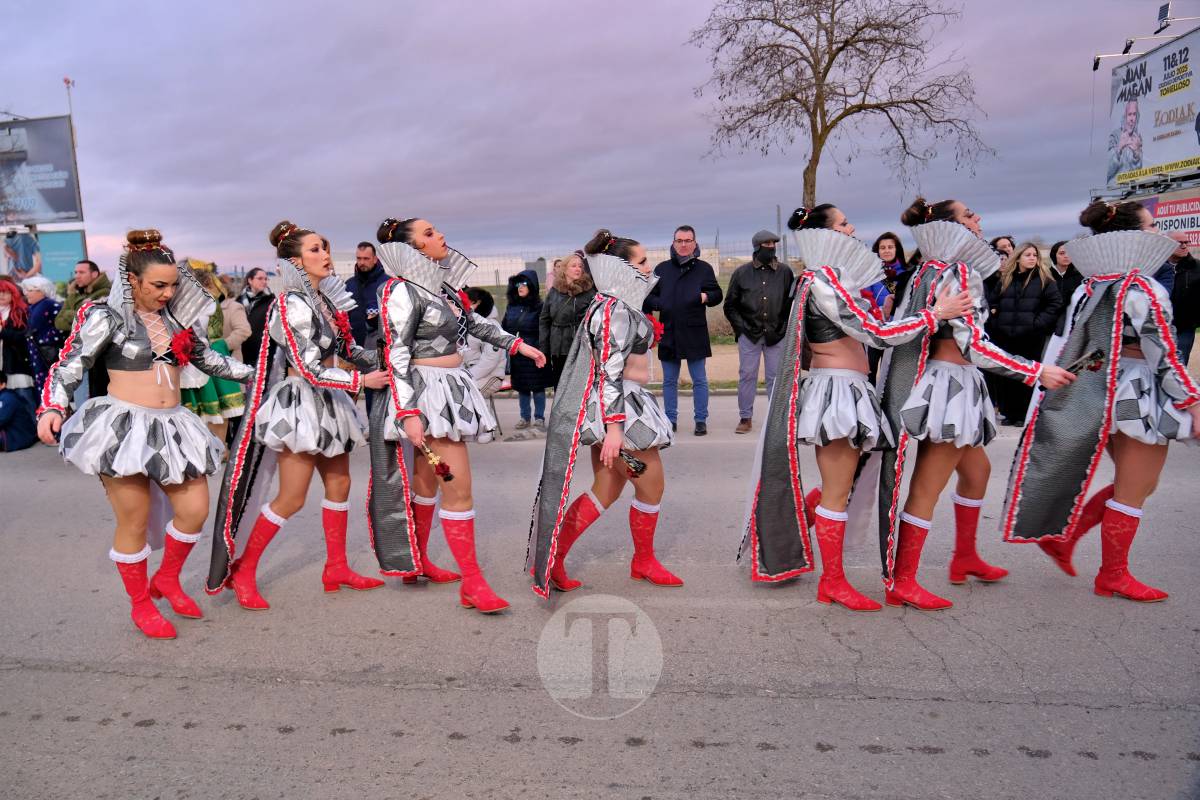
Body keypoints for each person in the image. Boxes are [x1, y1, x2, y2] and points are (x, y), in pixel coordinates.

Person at [740, 205, 971, 610]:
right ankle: (831, 581)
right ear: (825, 234)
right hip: (836, 392)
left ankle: (802, 531)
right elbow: (875, 335)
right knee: (837, 490)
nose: (852, 228)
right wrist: (935, 314)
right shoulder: (822, 280)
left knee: (842, 485)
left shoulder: (832, 278)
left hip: (850, 389)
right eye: (844, 223)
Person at [37, 230, 255, 639]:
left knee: (194, 511)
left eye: (173, 284)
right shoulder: (105, 315)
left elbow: (210, 360)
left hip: (174, 424)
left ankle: (167, 579)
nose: (168, 292)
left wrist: (257, 376)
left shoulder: (178, 319)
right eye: (159, 285)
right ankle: (140, 604)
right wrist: (52, 405)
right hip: (123, 428)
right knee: (133, 521)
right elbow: (69, 364)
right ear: (132, 280)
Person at [873, 198, 1076, 610]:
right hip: (948, 389)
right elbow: (974, 344)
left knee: (978, 470)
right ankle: (903, 581)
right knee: (928, 486)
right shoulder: (956, 270)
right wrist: (1036, 371)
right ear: (951, 226)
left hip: (951, 383)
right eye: (969, 215)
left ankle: (964, 556)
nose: (978, 219)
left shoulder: (930, 267)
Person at [1004, 200, 1200, 603]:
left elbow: (1077, 343)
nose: (1157, 233)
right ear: (1131, 235)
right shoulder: (1144, 287)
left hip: (1103, 388)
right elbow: (1163, 353)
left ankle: (1072, 542)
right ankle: (1112, 574)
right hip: (1139, 389)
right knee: (1136, 486)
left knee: (1137, 482)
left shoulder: (1090, 285)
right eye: (1150, 226)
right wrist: (1193, 400)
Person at [207, 221, 391, 609]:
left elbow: (348, 349)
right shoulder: (290, 303)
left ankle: (336, 567)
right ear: (294, 261)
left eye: (325, 247)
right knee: (290, 498)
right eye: (315, 249)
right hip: (303, 403)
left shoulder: (324, 300)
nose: (325, 254)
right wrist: (361, 381)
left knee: (339, 486)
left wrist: (388, 360)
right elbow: (308, 367)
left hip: (331, 400)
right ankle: (243, 569)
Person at [365, 217, 545, 613]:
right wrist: (409, 412)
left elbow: (476, 323)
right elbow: (396, 352)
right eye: (429, 233)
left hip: (451, 386)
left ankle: (420, 563)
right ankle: (473, 583)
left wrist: (519, 347)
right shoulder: (400, 291)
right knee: (458, 487)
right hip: (427, 393)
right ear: (411, 248)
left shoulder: (441, 286)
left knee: (428, 483)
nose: (440, 235)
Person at [529, 229, 680, 597]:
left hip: (621, 406)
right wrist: (615, 429)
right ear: (619, 268)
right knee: (652, 486)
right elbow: (610, 373)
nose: (649, 267)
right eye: (642, 261)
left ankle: (557, 559)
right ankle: (642, 561)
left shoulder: (613, 305)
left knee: (607, 489)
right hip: (622, 410)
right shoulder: (614, 310)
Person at [643, 225, 722, 435]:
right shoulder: (662, 269)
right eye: (680, 241)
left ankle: (701, 419)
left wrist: (704, 297)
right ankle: (670, 419)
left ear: (695, 243)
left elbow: (717, 293)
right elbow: (648, 297)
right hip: (668, 330)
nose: (684, 245)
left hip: (695, 330)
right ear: (674, 243)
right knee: (669, 380)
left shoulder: (704, 268)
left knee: (699, 379)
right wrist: (661, 304)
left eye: (688, 241)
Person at [723, 229, 794, 434]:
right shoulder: (741, 273)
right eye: (767, 244)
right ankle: (745, 418)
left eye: (774, 244)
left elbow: (791, 303)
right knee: (747, 376)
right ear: (757, 247)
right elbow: (730, 305)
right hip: (750, 335)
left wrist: (783, 328)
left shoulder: (785, 272)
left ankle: (776, 420)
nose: (771, 247)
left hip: (776, 335)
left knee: (775, 377)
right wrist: (741, 329)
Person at [985, 243, 1063, 424]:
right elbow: (993, 302)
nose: (1032, 258)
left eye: (1034, 255)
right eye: (1027, 255)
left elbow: (1055, 304)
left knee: (1028, 375)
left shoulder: (1045, 280)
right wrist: (997, 321)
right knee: (1007, 374)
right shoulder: (1006, 279)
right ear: (1018, 257)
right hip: (1004, 335)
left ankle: (1023, 414)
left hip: (1030, 336)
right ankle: (1009, 414)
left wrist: (1037, 324)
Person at [178, 269, 247, 443]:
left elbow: (213, 334)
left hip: (206, 360)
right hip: (187, 362)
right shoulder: (178, 304)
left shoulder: (207, 302)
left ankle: (213, 456)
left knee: (213, 421)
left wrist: (221, 346)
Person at [502, 269, 551, 433]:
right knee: (522, 387)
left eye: (524, 283)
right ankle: (524, 417)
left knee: (537, 387)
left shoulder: (540, 307)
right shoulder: (512, 306)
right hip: (517, 352)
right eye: (517, 283)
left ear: (532, 285)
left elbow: (545, 329)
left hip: (536, 350)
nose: (520, 287)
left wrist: (542, 350)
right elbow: (505, 328)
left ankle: (539, 418)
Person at [56, 259, 112, 401]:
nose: (77, 276)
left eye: (81, 272)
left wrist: (72, 312)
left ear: (94, 274)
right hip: (85, 356)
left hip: (100, 359)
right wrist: (74, 301)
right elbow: (58, 322)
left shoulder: (104, 292)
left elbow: (87, 320)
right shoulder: (81, 293)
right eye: (75, 272)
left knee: (97, 399)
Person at [539, 251, 597, 388]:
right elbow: (544, 319)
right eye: (573, 266)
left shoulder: (589, 291)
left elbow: (596, 320)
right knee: (560, 387)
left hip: (580, 347)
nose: (578, 269)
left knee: (580, 388)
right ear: (564, 269)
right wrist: (544, 349)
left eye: (580, 266)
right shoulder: (554, 291)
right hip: (558, 347)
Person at [345, 241, 390, 414]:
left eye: (366, 258)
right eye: (359, 258)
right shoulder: (349, 285)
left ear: (375, 259)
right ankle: (351, 429)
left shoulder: (387, 284)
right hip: (352, 348)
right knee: (348, 393)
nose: (362, 262)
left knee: (376, 392)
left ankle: (377, 431)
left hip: (379, 347)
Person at [19, 275, 65, 395]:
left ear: (42, 290)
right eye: (26, 291)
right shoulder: (33, 307)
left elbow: (61, 328)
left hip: (48, 354)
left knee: (50, 387)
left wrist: (43, 339)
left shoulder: (50, 305)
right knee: (43, 386)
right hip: (38, 354)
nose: (27, 294)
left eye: (30, 290)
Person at [463, 287, 507, 394]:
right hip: (469, 374)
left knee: (464, 396)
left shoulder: (491, 327)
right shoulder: (467, 323)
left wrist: (468, 375)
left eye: (466, 302)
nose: (462, 305)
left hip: (491, 376)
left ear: (477, 303)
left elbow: (490, 360)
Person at [0, 276, 35, 409]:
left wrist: (2, 332)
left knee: (25, 401)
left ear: (13, 294)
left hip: (17, 365)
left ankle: (38, 429)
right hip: (1, 369)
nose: (2, 295)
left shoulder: (21, 313)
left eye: (5, 292)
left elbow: (23, 337)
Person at [1170, 237, 1200, 365]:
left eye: (1186, 242)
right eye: (1179, 242)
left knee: (1179, 366)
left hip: (1185, 327)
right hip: (1158, 327)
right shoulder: (1157, 266)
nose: (1184, 246)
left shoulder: (1197, 267)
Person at [237, 267, 274, 371]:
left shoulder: (272, 301)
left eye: (266, 279)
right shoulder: (239, 301)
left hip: (264, 354)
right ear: (250, 280)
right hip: (244, 352)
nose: (264, 281)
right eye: (260, 278)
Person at [1048, 240, 1084, 333]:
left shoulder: (1081, 277)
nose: (1066, 256)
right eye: (1062, 253)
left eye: (1069, 253)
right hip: (1048, 327)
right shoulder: (1045, 276)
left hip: (1072, 327)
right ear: (1054, 255)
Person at [0, 370, 36, 451]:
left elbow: (1, 419)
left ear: (3, 384)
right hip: (17, 435)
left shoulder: (7, 398)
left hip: (18, 438)